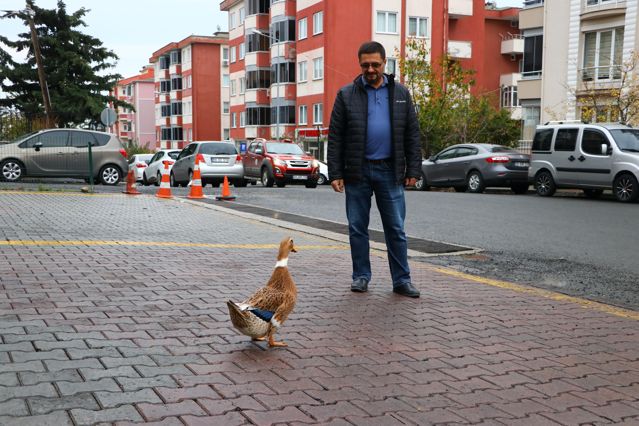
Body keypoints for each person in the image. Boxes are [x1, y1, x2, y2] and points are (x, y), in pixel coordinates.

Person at [327, 41, 422, 298]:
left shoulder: (401, 93)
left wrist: (413, 168)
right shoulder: (346, 94)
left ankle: (402, 280)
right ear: (360, 65)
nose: (370, 69)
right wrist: (335, 173)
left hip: (389, 172)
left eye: (375, 64)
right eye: (365, 65)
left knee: (396, 229)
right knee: (357, 227)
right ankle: (361, 276)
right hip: (356, 171)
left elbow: (412, 133)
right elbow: (335, 136)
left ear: (384, 64)